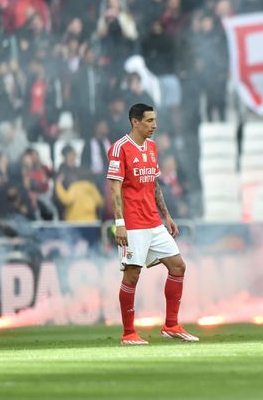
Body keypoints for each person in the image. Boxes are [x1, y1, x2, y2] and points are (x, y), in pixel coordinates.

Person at [107, 103, 196, 345]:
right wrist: (120, 223)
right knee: (132, 275)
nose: (154, 125)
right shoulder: (120, 148)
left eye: (155, 120)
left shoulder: (152, 147)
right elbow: (115, 186)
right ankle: (128, 333)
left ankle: (171, 325)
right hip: (132, 224)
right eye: (149, 121)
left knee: (178, 266)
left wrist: (166, 215)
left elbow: (154, 184)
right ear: (134, 122)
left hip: (154, 222)